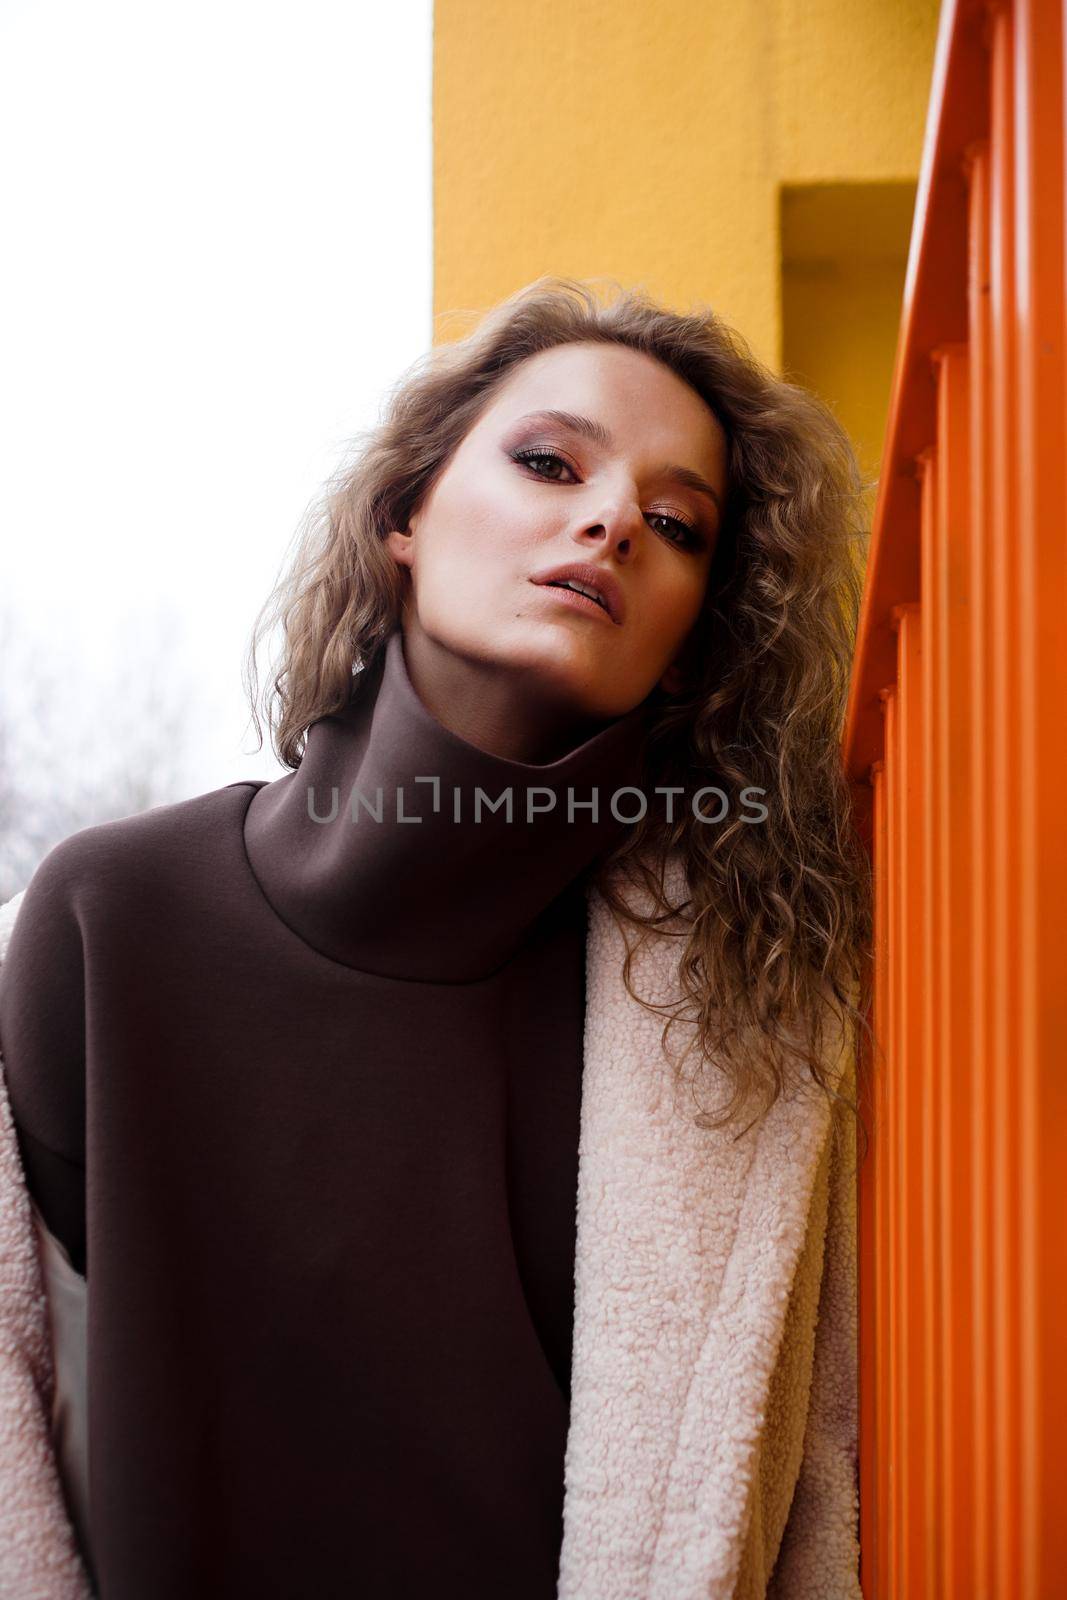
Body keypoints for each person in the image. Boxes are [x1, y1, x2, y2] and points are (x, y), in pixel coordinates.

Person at [0, 276, 871, 1599]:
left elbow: (810, 1500)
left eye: (678, 522)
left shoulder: (744, 1012)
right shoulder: (109, 918)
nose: (611, 519)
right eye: (547, 461)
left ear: (695, 652)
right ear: (403, 515)